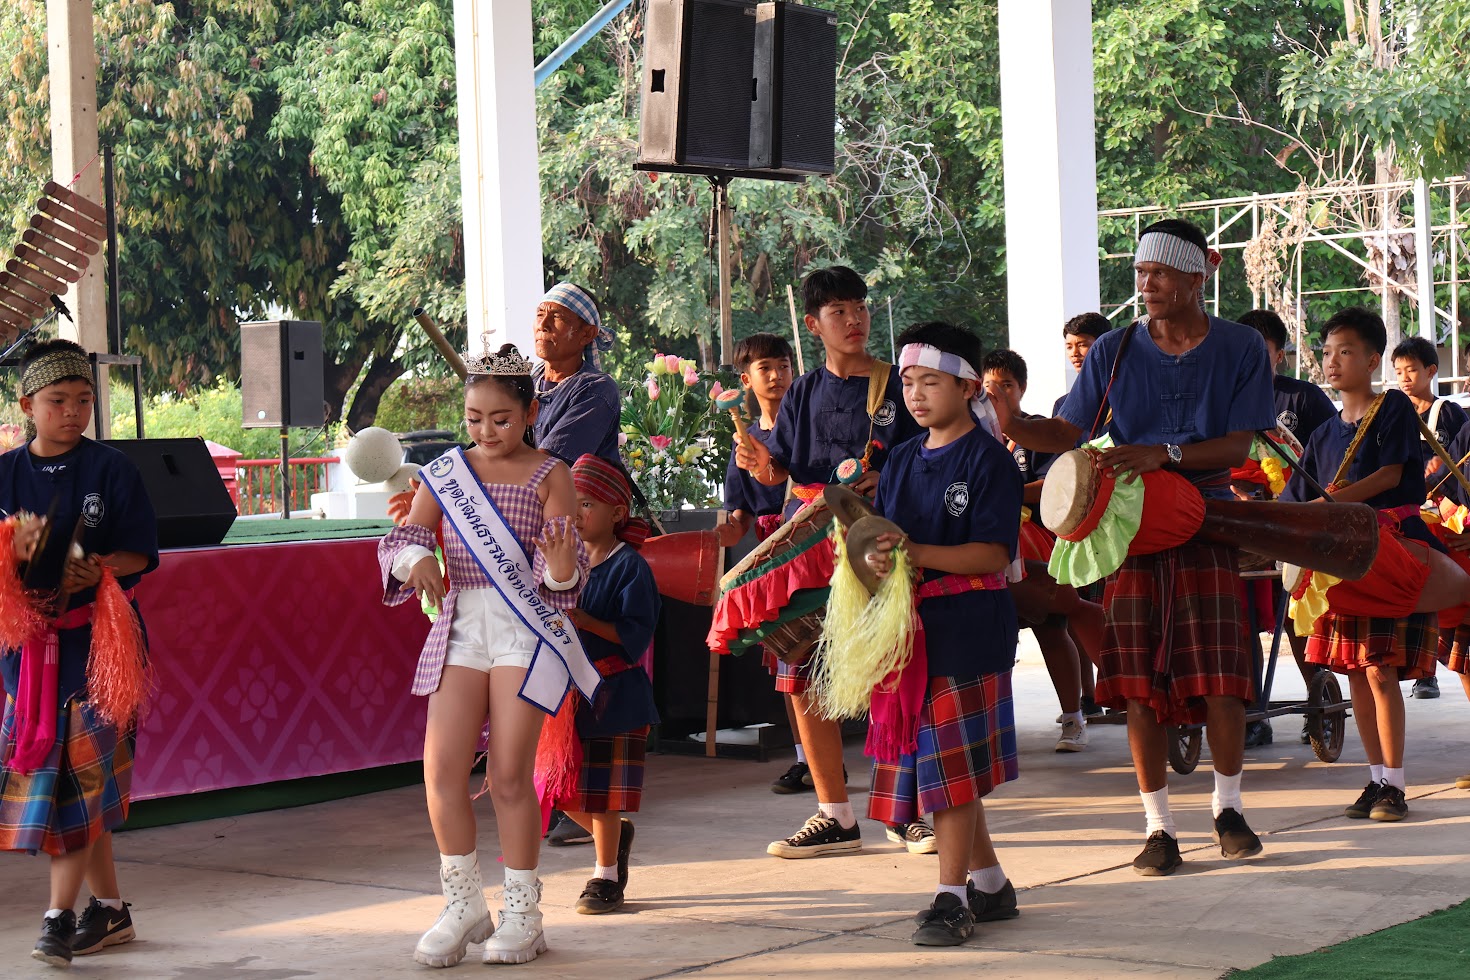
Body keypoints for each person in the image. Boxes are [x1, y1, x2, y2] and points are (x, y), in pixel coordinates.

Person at [994, 218, 1276, 877]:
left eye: (1159, 274)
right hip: (1130, 525)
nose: (1145, 285)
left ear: (1196, 276)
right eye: (1141, 273)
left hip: (1209, 517)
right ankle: (1158, 827)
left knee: (1222, 681)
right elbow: (1068, 430)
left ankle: (1229, 810)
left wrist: (1164, 453)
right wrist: (1013, 422)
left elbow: (1239, 444)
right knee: (1140, 687)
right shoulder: (1114, 348)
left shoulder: (1239, 346)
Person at [379, 344, 592, 966]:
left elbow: (566, 567)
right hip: (461, 626)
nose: (486, 431)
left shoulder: (551, 472)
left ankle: (524, 913)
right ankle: (464, 904)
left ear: (529, 414)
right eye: (474, 418)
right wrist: (416, 558)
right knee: (441, 770)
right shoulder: (446, 472)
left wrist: (560, 570)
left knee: (507, 776)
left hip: (524, 630)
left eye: (501, 419)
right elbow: (407, 536)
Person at [734, 266, 926, 858]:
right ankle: (834, 813)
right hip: (810, 542)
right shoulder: (803, 391)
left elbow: (927, 453)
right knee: (804, 670)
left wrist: (887, 477)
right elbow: (781, 472)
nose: (854, 320)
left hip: (876, 540)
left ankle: (903, 812)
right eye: (838, 311)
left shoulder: (897, 385)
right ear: (814, 325)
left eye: (859, 307)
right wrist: (759, 464)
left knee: (892, 669)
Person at [0, 339, 158, 968]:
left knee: (78, 786)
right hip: (29, 656)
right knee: (76, 786)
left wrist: (99, 568)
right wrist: (13, 552)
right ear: (27, 405)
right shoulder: (4, 473)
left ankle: (57, 918)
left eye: (84, 400)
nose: (73, 412)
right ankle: (111, 911)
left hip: (99, 649)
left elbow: (141, 553)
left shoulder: (112, 470)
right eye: (58, 400)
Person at [863, 321, 1022, 945]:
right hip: (910, 631)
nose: (916, 395)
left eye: (930, 382)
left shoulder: (989, 460)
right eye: (908, 382)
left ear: (967, 386)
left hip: (969, 628)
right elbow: (885, 543)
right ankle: (990, 885)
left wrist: (916, 553)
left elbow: (992, 554)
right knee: (946, 768)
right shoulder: (902, 459)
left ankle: (951, 897)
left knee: (950, 774)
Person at [1280, 308, 1443, 823]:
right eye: (1327, 352)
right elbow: (1294, 498)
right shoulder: (1324, 435)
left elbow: (1391, 474)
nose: (1332, 361)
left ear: (1373, 360)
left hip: (1387, 552)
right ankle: (1375, 779)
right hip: (1340, 566)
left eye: (1345, 351)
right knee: (1356, 673)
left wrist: (1327, 505)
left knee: (1380, 671)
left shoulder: (1391, 406)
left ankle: (1395, 784)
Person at [981, 349, 1104, 753]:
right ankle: (992, 725)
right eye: (989, 386)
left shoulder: (1038, 432)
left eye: (1006, 386)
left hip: (1034, 538)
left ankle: (1073, 717)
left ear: (1022, 388)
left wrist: (1007, 494)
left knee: (1051, 625)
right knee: (990, 631)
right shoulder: (972, 431)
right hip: (988, 541)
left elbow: (1055, 484)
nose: (997, 394)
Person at [559, 454, 660, 915]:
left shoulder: (631, 568)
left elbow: (635, 635)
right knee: (552, 789)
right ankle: (614, 837)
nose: (576, 514)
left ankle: (605, 877)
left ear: (617, 513)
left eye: (587, 504)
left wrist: (585, 620)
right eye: (571, 504)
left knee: (601, 796)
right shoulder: (562, 560)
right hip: (566, 696)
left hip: (614, 695)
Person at [1234, 308, 1340, 747]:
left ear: (1280, 354)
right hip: (1238, 528)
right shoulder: (1220, 399)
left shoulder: (1303, 399)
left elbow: (1331, 461)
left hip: (1293, 526)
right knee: (1239, 623)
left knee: (1297, 618)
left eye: (1261, 352)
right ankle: (1250, 714)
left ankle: (1318, 704)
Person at [716, 334, 813, 794]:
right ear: (745, 380)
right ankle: (806, 759)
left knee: (822, 660)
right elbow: (738, 517)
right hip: (773, 561)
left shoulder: (808, 429)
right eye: (765, 368)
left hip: (812, 549)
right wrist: (721, 535)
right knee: (788, 664)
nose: (777, 376)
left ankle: (841, 756)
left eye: (783, 365)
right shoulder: (744, 442)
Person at [1391, 335, 1465, 699]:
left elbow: (1460, 463)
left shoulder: (1448, 413)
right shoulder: (1392, 415)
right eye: (1398, 372)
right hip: (1406, 513)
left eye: (1412, 370)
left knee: (1439, 588)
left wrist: (1440, 472)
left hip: (1443, 515)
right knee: (1410, 587)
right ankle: (1417, 664)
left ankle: (1429, 672)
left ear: (1431, 371)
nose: (1404, 378)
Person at [532, 282, 623, 468]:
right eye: (540, 314)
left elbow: (546, 465)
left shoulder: (597, 390)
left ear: (587, 334)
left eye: (556, 317)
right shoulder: (529, 380)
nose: (542, 325)